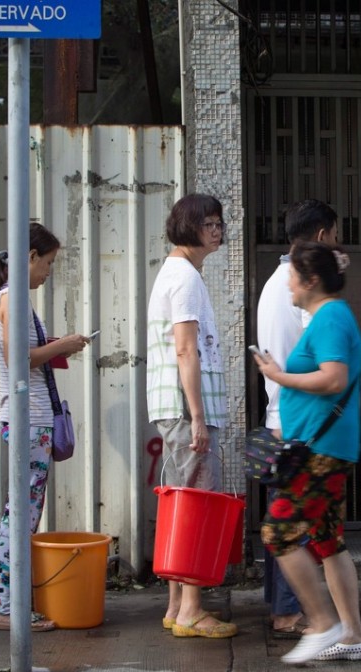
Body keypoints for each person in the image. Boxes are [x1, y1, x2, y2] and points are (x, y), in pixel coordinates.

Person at [252, 241, 361, 664]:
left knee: (278, 533)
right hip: (322, 445)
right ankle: (352, 634)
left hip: (322, 449)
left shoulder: (331, 317)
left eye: (293, 280)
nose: (289, 288)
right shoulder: (328, 317)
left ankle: (322, 623)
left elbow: (334, 378)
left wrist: (281, 376)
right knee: (327, 540)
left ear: (312, 280)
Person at [0, 224, 89, 631]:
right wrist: (62, 346)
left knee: (23, 513)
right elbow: (19, 359)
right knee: (21, 517)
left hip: (30, 418)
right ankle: (9, 608)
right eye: (48, 263)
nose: (48, 272)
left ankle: (12, 604)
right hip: (29, 419)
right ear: (29, 257)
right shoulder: (13, 299)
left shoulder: (11, 299)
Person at [146, 193, 236, 639]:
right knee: (197, 505)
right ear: (189, 226)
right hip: (186, 410)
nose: (218, 230)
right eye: (210, 224)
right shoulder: (183, 277)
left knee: (185, 504)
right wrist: (198, 416)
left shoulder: (182, 273)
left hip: (182, 409)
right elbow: (185, 348)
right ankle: (191, 610)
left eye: (220, 223)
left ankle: (178, 604)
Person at [256, 199, 339, 638]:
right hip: (298, 419)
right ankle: (290, 612)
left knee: (282, 520)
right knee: (295, 522)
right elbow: (314, 358)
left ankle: (283, 607)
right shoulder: (299, 287)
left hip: (282, 414)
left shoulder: (277, 282)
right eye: (336, 235)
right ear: (323, 235)